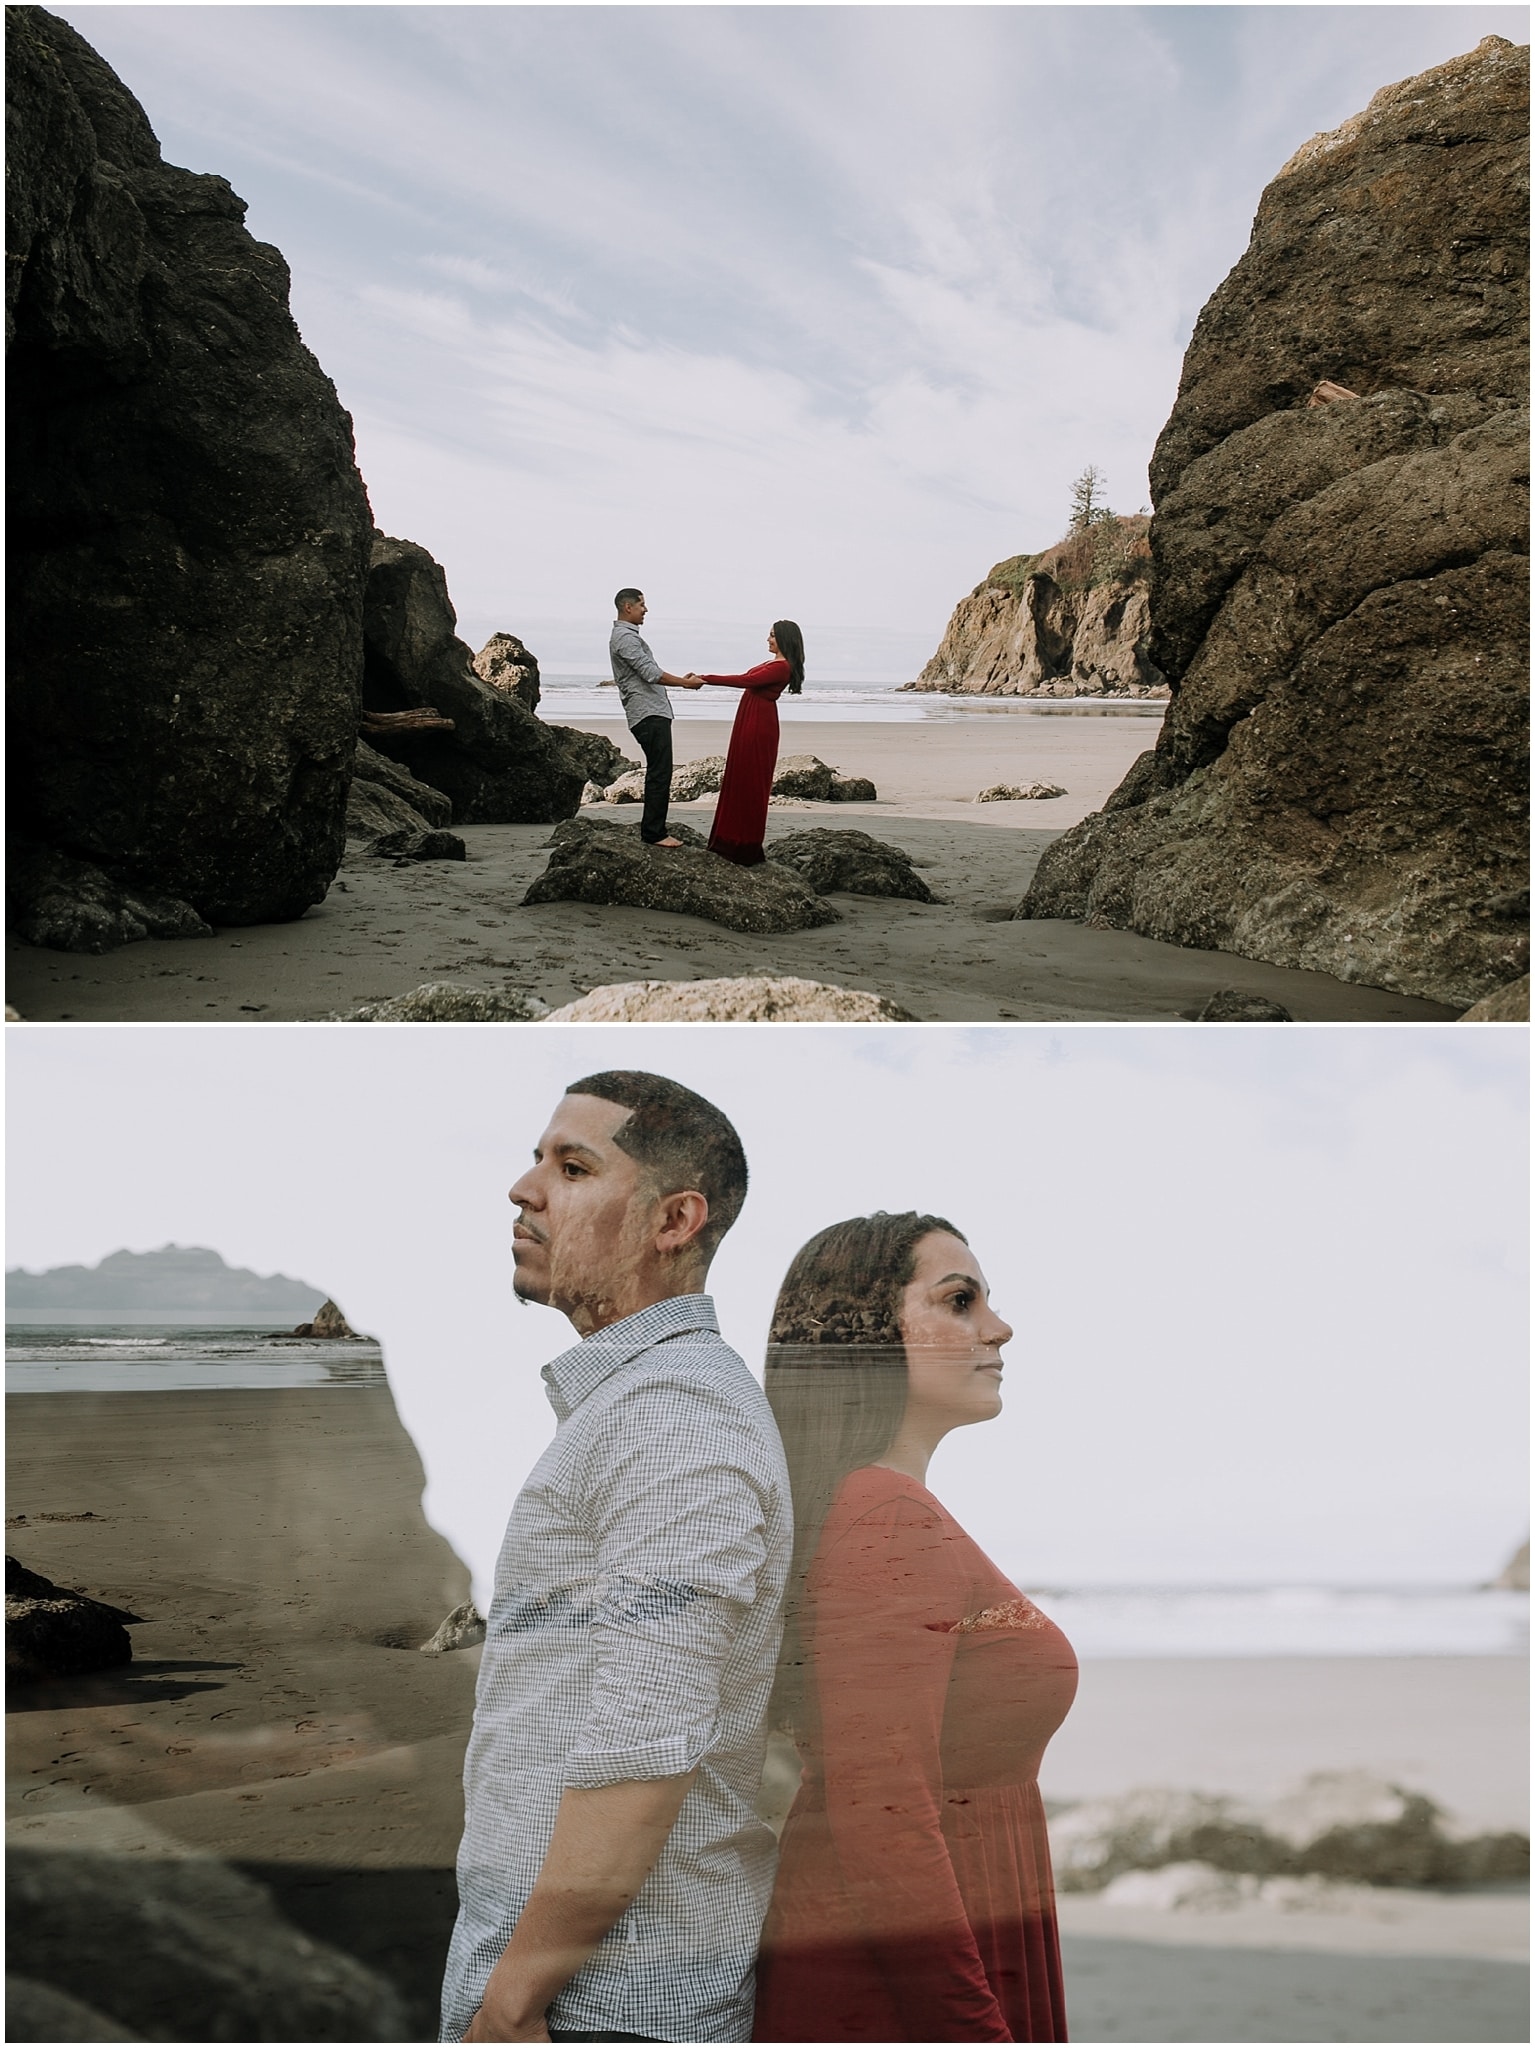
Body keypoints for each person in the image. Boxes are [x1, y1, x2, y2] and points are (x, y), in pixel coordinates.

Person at [439, 1071, 792, 2044]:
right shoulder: (638, 1404)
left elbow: (645, 1742)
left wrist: (513, 1998)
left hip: (600, 2012)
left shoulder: (671, 1416)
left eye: (572, 1164)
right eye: (537, 1155)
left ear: (673, 1218)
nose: (524, 1185)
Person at [752, 1212, 1077, 2043]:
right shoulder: (884, 1513)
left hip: (929, 1935)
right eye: (959, 1301)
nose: (998, 1328)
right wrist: (973, 2028)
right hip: (901, 1979)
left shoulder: (880, 1504)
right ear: (867, 1335)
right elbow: (879, 1807)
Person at [692, 622, 805, 866]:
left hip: (758, 725)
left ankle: (742, 845)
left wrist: (705, 678)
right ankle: (729, 839)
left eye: (773, 636)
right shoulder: (775, 663)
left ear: (785, 639)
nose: (768, 639)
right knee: (739, 778)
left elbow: (745, 680)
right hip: (750, 719)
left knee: (750, 782)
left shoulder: (782, 667)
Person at [608, 590, 700, 848]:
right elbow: (650, 673)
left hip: (652, 711)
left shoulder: (628, 637)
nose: (645, 609)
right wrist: (685, 683)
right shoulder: (624, 637)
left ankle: (654, 830)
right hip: (647, 713)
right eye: (641, 605)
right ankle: (654, 833)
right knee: (660, 772)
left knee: (660, 771)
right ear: (628, 607)